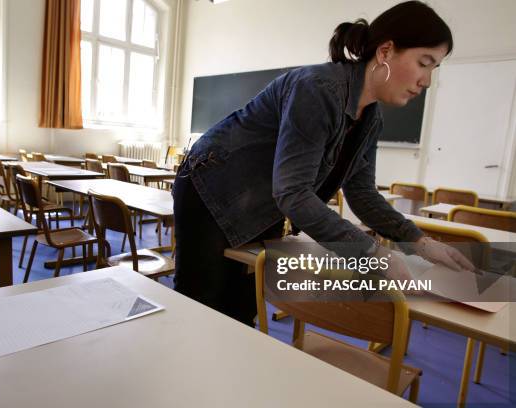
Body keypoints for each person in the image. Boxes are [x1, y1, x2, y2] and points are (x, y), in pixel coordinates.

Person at [173, 1, 473, 325]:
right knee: (199, 305)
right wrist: (373, 253)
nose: (427, 81)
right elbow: (292, 192)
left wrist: (420, 243)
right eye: (424, 63)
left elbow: (362, 195)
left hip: (260, 204)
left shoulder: (371, 119)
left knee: (242, 309)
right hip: (212, 188)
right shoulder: (317, 89)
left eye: (434, 68)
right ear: (386, 51)